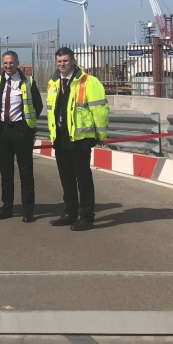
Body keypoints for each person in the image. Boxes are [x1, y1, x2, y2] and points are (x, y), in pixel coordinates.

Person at [47, 47, 109, 231]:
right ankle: (70, 213)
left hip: (80, 138)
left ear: (73, 61)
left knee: (83, 179)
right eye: (59, 61)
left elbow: (99, 109)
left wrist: (101, 135)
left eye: (65, 61)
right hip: (61, 138)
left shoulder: (88, 81)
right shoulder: (54, 82)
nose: (62, 64)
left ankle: (87, 217)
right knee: (66, 179)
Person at [0, 51, 43, 223]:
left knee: (25, 172)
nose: (8, 66)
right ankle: (7, 207)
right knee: (6, 174)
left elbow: (38, 105)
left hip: (21, 131)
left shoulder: (28, 81)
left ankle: (28, 210)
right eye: (5, 63)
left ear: (17, 63)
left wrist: (28, 126)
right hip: (3, 132)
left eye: (11, 63)